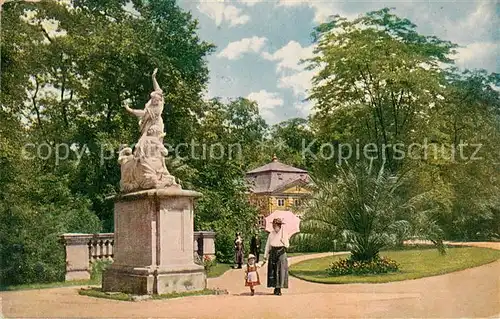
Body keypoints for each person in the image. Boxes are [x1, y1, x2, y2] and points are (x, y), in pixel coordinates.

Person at [263, 218, 290, 296]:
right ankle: (275, 287)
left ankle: (279, 288)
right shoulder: (271, 234)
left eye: (276, 225)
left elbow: (287, 246)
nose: (274, 227)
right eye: (273, 225)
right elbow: (268, 245)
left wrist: (283, 241)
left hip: (281, 252)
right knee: (273, 270)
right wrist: (265, 255)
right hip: (273, 252)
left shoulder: (284, 233)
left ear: (279, 226)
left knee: (280, 270)